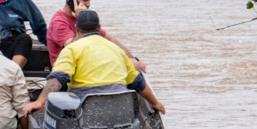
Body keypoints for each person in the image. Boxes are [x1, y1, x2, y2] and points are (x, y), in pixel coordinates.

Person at [23, 10, 165, 116]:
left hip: (86, 116)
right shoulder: (117, 50)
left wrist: (39, 102)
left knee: (55, 100)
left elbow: (58, 79)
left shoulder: (72, 49)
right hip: (121, 115)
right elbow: (138, 83)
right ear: (99, 28)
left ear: (77, 30)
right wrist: (155, 103)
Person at [47, 0, 146, 72]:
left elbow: (110, 39)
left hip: (87, 65)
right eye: (84, 0)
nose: (88, 4)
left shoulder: (84, 17)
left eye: (89, 0)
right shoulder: (59, 22)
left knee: (134, 64)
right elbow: (73, 49)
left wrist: (133, 58)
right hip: (68, 71)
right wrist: (80, 19)